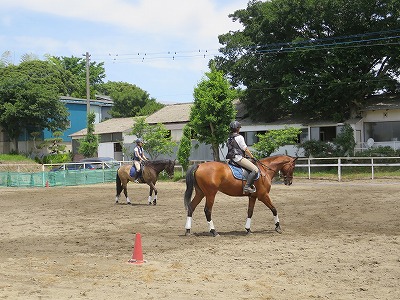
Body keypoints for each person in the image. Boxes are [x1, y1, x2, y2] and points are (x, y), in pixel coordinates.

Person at [226, 120, 259, 193]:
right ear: (238, 128)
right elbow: (245, 149)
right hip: (238, 158)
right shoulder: (239, 137)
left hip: (231, 159)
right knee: (255, 169)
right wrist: (252, 157)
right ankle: (246, 187)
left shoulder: (229, 137)